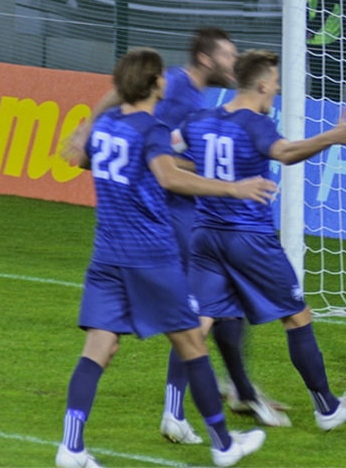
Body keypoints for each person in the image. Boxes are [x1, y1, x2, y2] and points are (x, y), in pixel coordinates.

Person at [62, 28, 289, 441]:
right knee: (199, 319)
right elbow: (165, 167)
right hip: (170, 222)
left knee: (211, 313)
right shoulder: (177, 90)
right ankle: (194, 420)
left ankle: (234, 393)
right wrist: (226, 181)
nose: (234, 62)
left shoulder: (173, 100)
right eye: (228, 55)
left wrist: (91, 131)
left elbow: (120, 103)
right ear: (204, 59)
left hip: (129, 234)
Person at [174, 48, 346, 431]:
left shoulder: (200, 120)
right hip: (248, 238)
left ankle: (175, 414)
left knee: (197, 324)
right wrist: (330, 137)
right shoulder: (255, 124)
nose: (276, 90)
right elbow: (285, 153)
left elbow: (168, 153)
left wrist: (205, 176)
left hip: (205, 237)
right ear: (263, 84)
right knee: (297, 317)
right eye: (276, 84)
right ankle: (328, 408)